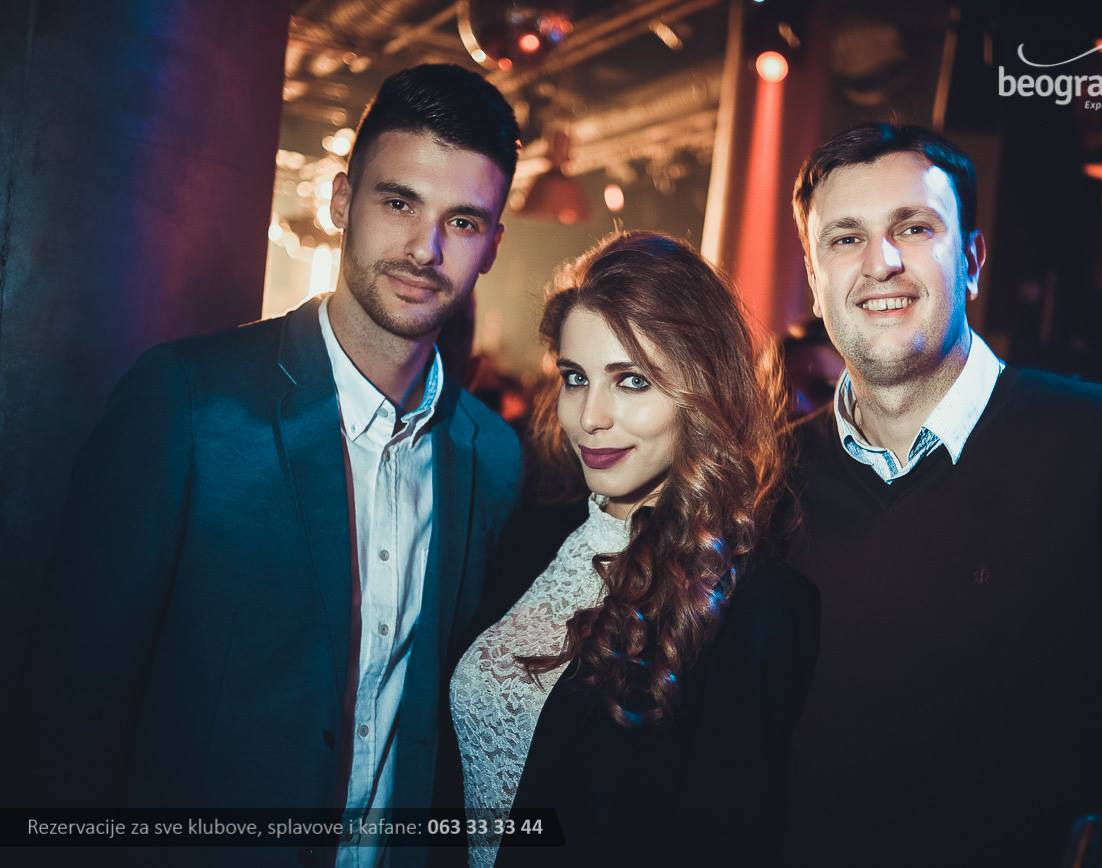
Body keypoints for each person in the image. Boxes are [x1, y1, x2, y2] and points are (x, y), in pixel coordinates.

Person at [27, 64, 522, 868]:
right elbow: (70, 707)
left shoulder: (491, 457)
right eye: (398, 202)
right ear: (341, 202)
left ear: (493, 245)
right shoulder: (189, 404)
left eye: (462, 222)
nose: (425, 249)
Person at [783, 123, 1102, 866]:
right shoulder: (768, 481)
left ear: (973, 262)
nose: (881, 262)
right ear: (815, 279)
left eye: (913, 228)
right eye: (845, 238)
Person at [446, 231, 819, 867]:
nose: (590, 416)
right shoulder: (530, 534)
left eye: (632, 381)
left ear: (704, 390)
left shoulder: (758, 605)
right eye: (575, 378)